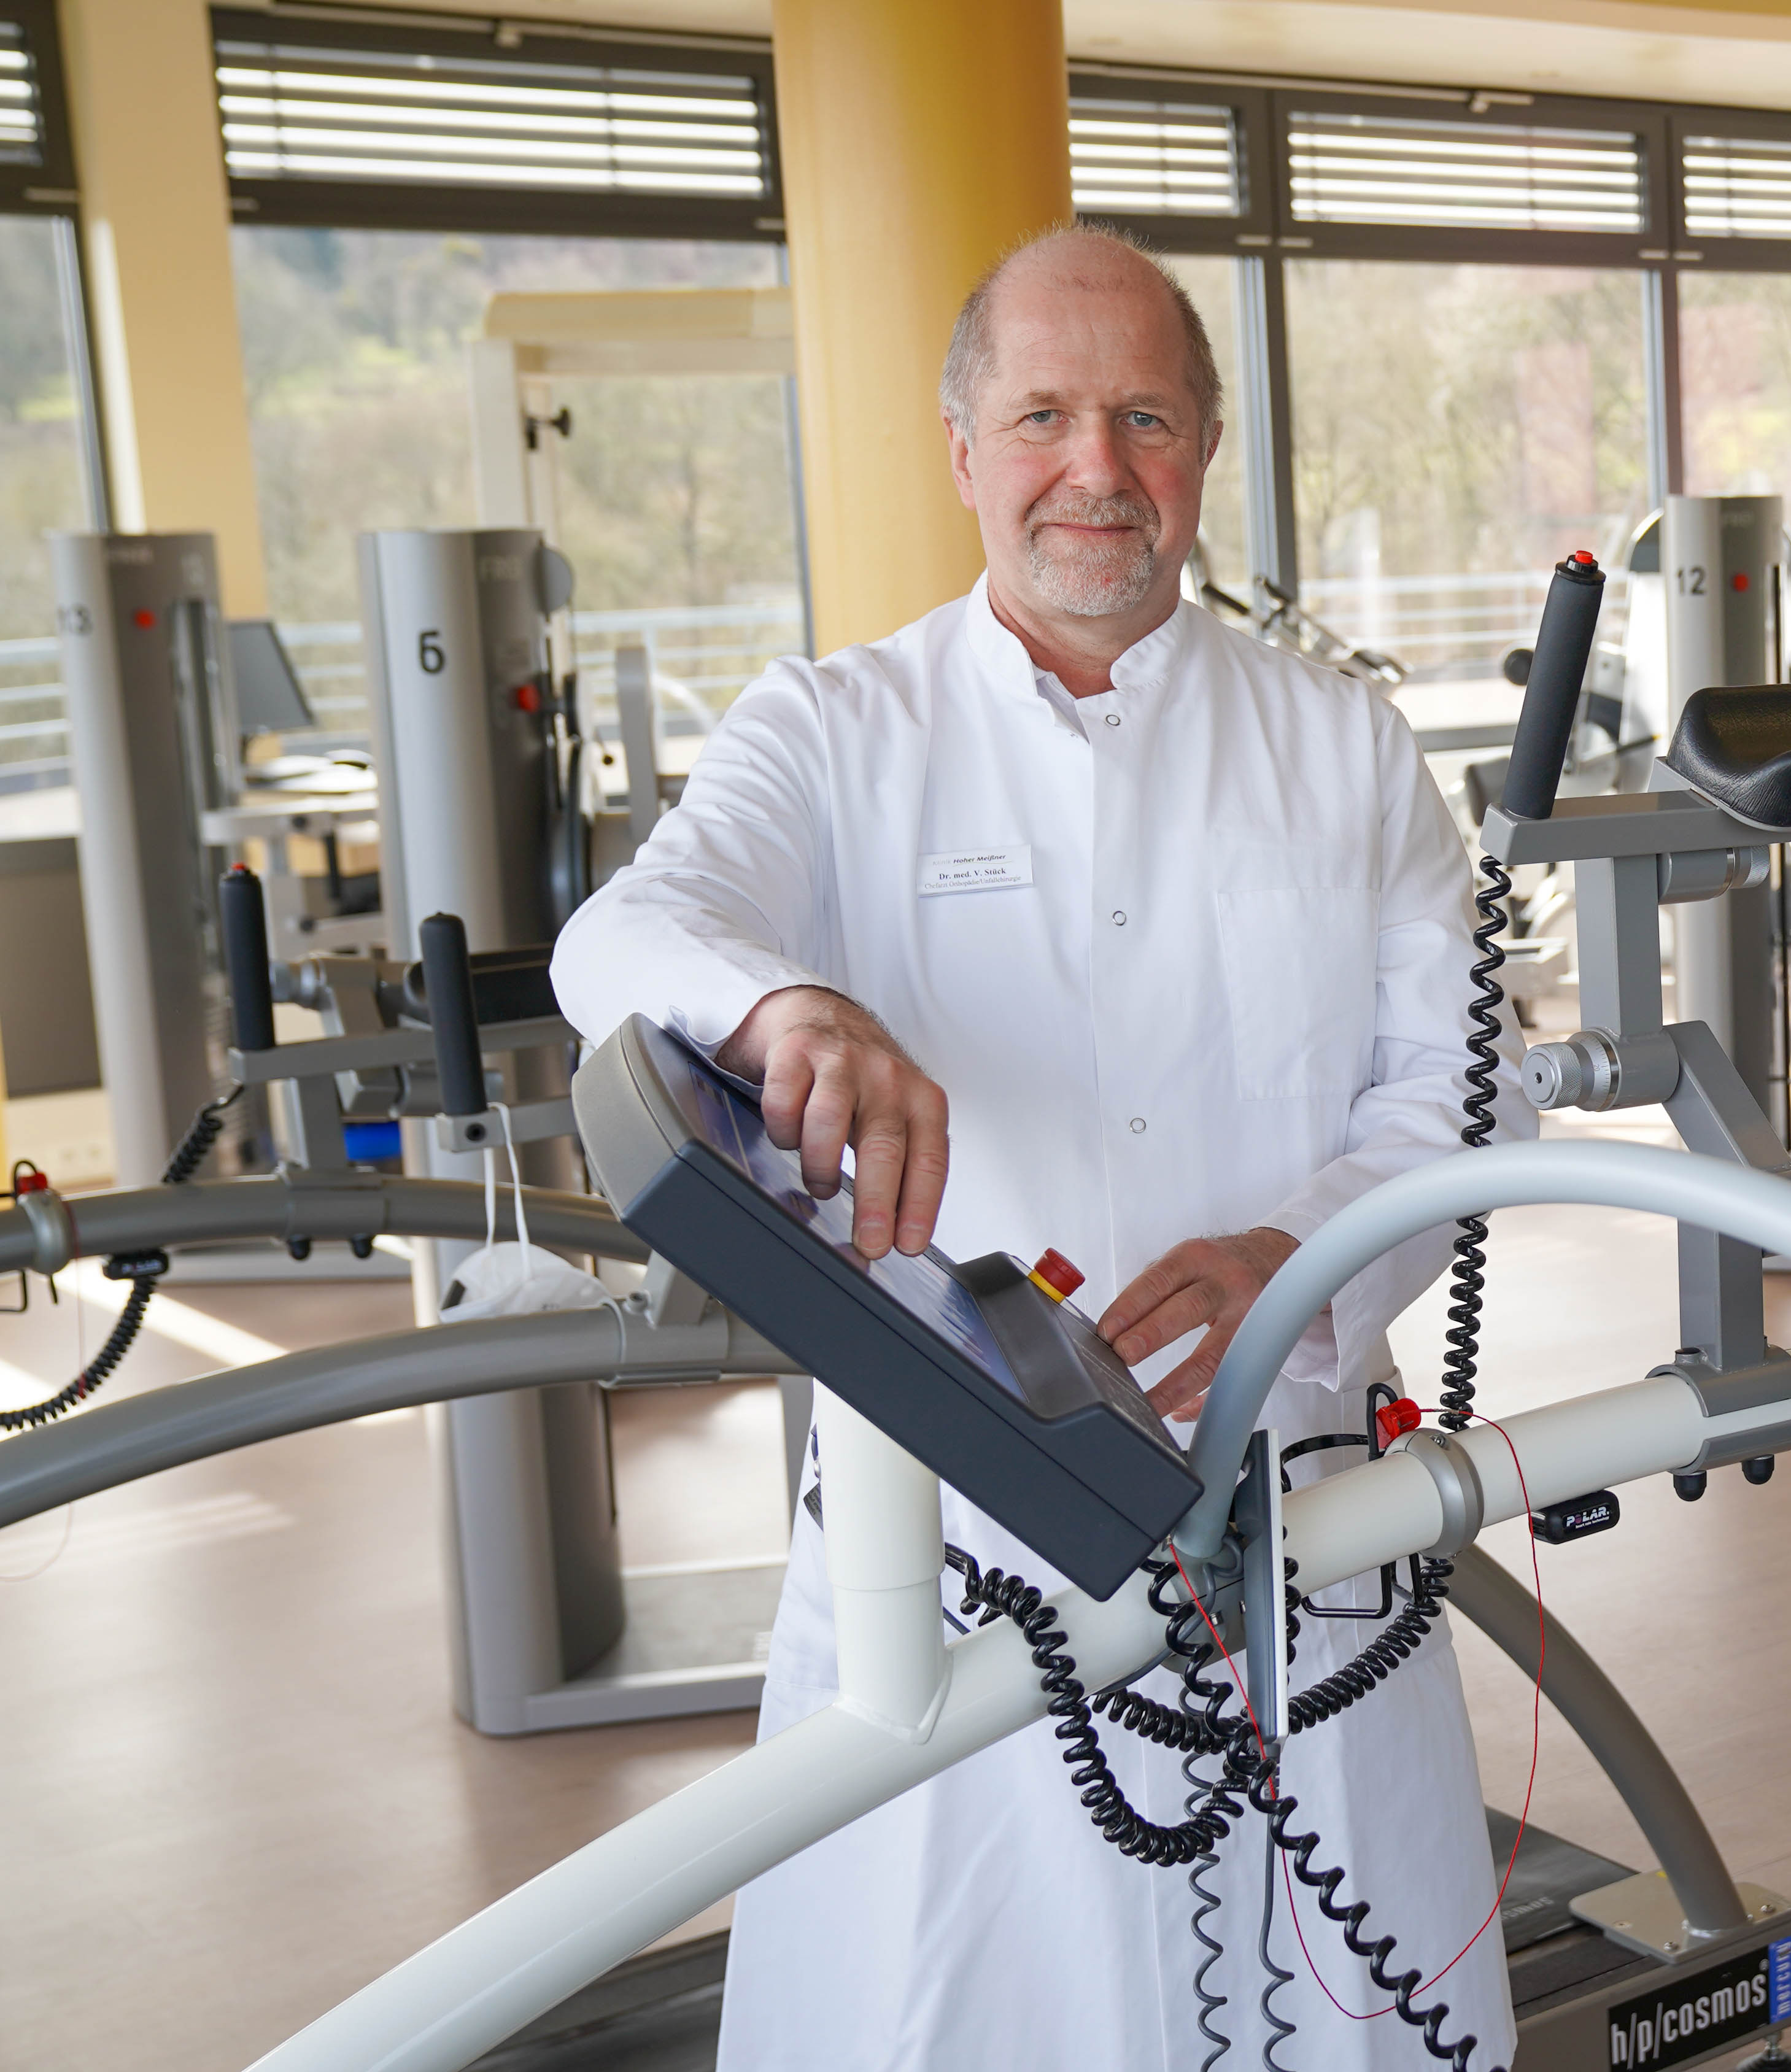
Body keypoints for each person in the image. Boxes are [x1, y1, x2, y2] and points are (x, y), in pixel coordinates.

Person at [549, 226, 1521, 2072]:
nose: (1097, 467)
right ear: (962, 450)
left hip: (1299, 1508)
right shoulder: (834, 729)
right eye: (1044, 416)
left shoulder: (1343, 746)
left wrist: (1299, 1255)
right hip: (952, 1542)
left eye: (1145, 417)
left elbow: (1463, 1087)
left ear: (1207, 447)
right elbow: (622, 935)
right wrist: (785, 1010)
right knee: (956, 2011)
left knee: (1345, 2014)